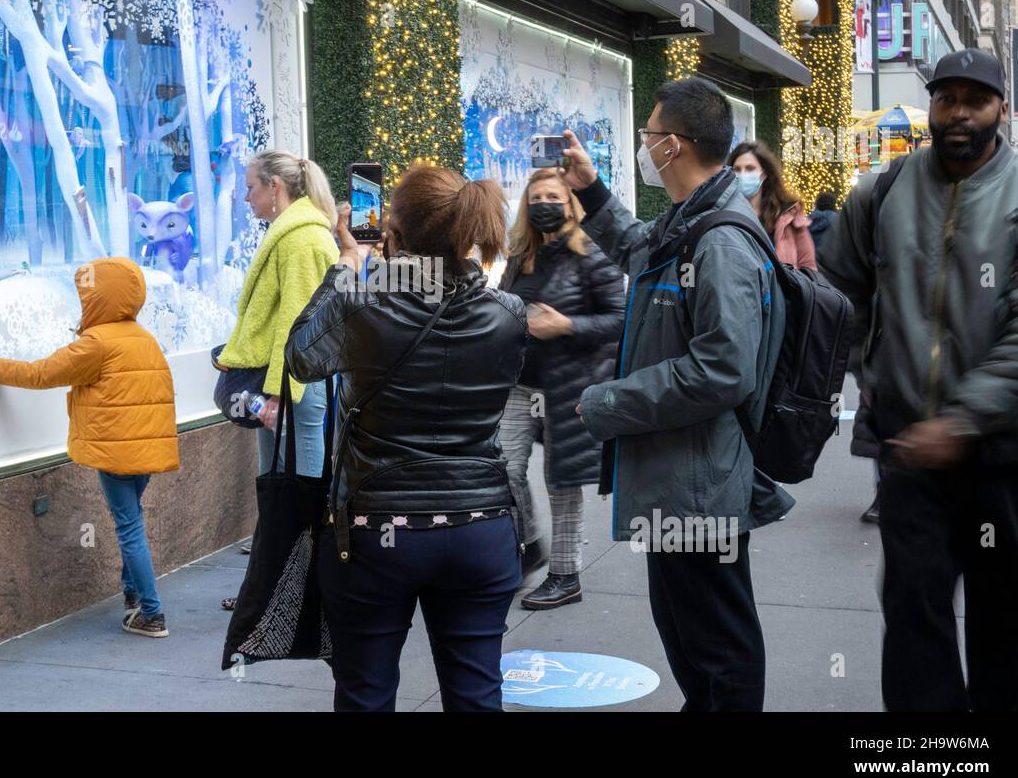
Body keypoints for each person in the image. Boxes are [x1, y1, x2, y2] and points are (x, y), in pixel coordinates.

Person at [556, 77, 796, 712]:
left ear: (672, 145)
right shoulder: (694, 220)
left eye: (647, 136)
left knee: (716, 640)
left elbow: (723, 368)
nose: (643, 146)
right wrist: (592, 189)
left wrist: (610, 401)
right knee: (690, 633)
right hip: (680, 475)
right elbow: (643, 250)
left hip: (698, 480)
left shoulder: (721, 239)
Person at [818, 47, 1018, 711]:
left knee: (1007, 627)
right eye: (947, 99)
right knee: (914, 624)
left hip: (1007, 456)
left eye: (976, 100)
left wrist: (963, 420)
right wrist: (872, 375)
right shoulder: (880, 191)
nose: (960, 113)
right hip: (913, 455)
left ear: (1001, 108)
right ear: (932, 107)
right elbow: (840, 296)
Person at [285, 164, 527, 712]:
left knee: (366, 694)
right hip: (480, 525)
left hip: (379, 529)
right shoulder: (508, 314)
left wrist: (347, 264)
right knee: (477, 694)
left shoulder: (363, 305)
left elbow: (301, 355)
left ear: (392, 230)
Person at [0, 257, 179, 638]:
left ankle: (152, 613)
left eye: (87, 297)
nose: (84, 304)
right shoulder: (144, 339)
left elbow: (41, 373)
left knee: (129, 528)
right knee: (132, 522)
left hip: (115, 452)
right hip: (144, 452)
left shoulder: (97, 343)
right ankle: (133, 597)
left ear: (101, 299)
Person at [216, 150, 339, 609]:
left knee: (300, 488)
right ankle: (269, 587)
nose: (245, 197)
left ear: (275, 187)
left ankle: (307, 590)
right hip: (285, 384)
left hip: (293, 388)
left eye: (250, 187)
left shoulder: (301, 239)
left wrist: (276, 392)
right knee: (275, 486)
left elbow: (298, 320)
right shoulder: (293, 235)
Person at [497, 167, 624, 609]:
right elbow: (506, 305)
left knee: (561, 481)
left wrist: (566, 325)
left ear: (570, 202)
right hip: (521, 384)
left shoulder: (593, 251)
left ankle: (566, 575)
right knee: (503, 469)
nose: (543, 204)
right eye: (535, 199)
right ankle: (529, 545)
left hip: (571, 386)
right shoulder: (521, 254)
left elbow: (622, 318)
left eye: (553, 196)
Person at [729, 140, 816, 269]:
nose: (742, 174)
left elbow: (808, 268)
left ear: (764, 174)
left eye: (750, 168)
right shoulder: (724, 215)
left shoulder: (789, 218)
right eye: (737, 169)